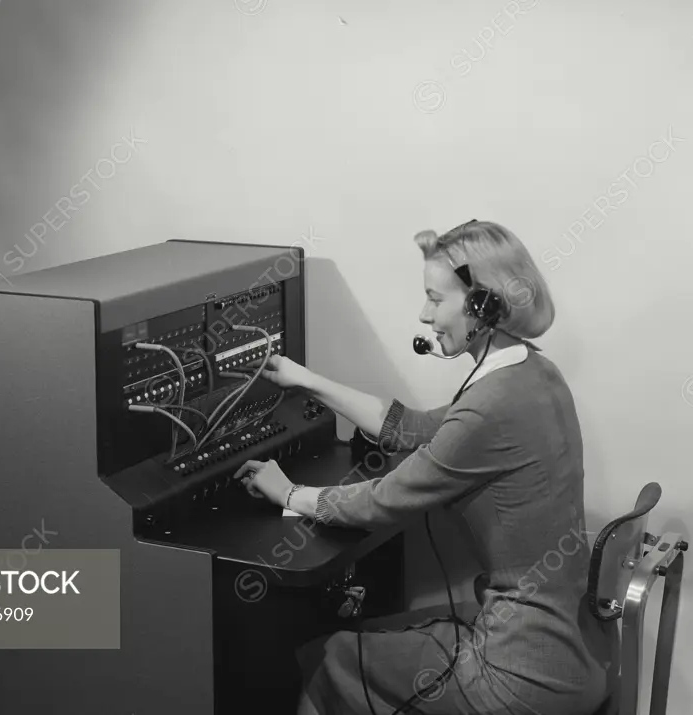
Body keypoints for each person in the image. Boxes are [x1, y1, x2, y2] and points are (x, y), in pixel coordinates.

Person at [232, 220, 614, 715]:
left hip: (519, 678)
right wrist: (306, 380)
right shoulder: (535, 374)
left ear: (483, 305)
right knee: (384, 629)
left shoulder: (492, 406)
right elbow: (412, 428)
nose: (424, 314)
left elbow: (384, 499)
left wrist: (289, 493)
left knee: (329, 655)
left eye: (435, 299)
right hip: (571, 655)